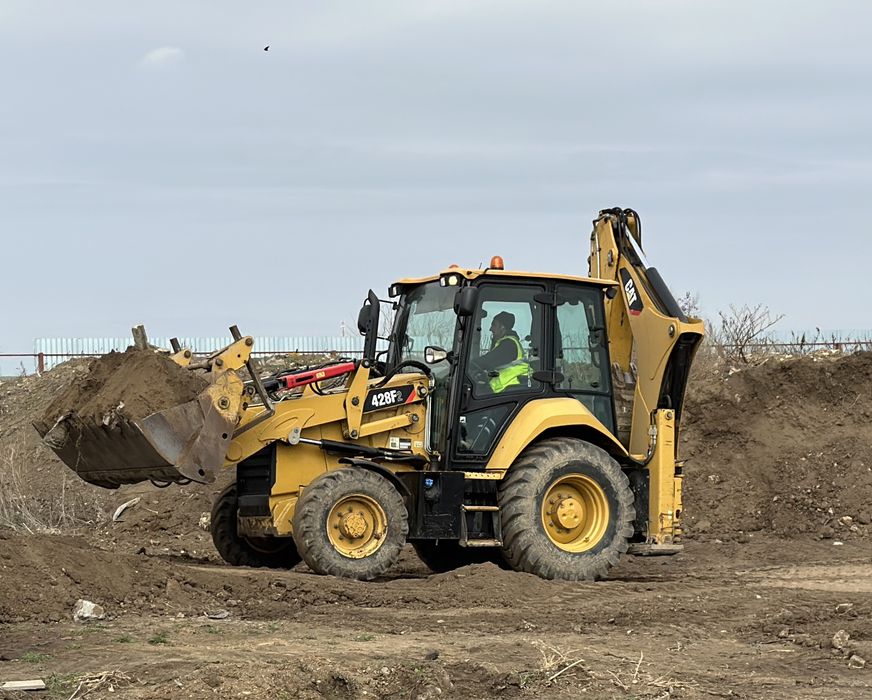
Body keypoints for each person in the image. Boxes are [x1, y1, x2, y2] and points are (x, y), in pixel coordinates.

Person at [473, 311, 531, 393]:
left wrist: (469, 364)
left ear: (503, 327)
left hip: (512, 388)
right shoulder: (506, 342)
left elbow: (487, 360)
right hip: (508, 388)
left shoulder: (508, 344)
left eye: (494, 325)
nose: (490, 329)